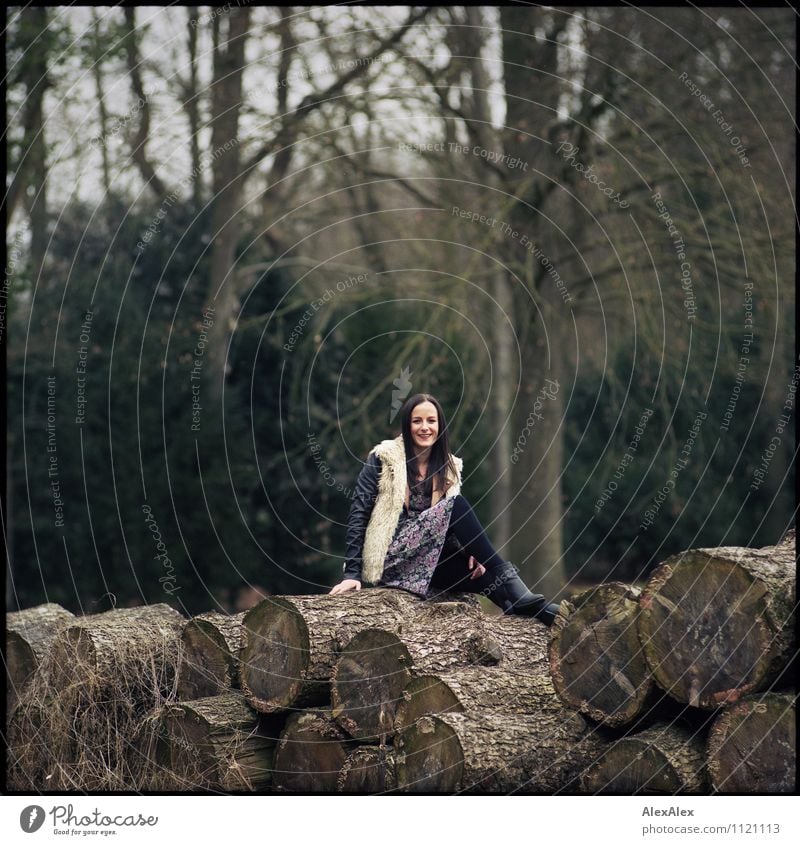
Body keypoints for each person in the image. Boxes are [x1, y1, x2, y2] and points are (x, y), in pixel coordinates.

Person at [329, 392, 563, 625]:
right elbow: (358, 513)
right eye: (417, 421)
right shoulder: (384, 458)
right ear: (406, 425)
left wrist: (472, 553)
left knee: (481, 574)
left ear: (440, 425)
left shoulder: (450, 467)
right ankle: (513, 582)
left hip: (428, 562)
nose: (425, 427)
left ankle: (541, 612)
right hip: (392, 560)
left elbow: (451, 527)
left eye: (431, 421)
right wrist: (352, 573)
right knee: (457, 505)